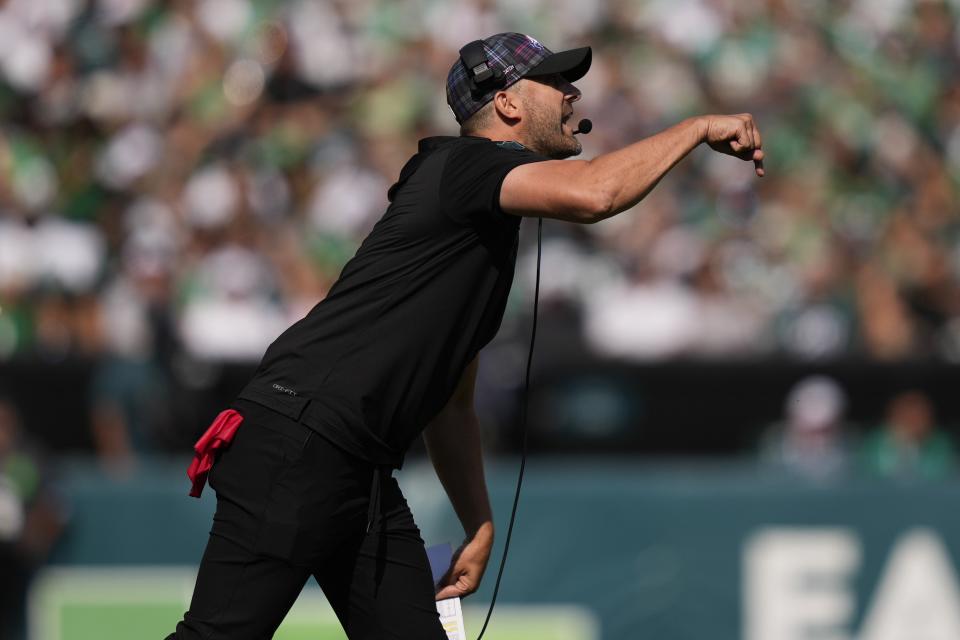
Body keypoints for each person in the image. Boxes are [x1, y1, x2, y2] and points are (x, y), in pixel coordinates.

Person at [168, 32, 764, 639]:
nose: (571, 94)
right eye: (554, 82)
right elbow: (597, 193)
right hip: (300, 439)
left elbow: (450, 406)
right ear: (507, 104)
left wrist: (477, 523)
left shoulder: (475, 228)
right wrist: (695, 129)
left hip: (351, 463)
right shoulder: (464, 167)